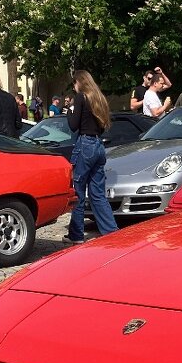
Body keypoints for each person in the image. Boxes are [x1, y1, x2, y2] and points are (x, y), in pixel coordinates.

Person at [65, 70, 118, 245]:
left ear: (79, 82)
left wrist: (69, 111)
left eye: (74, 83)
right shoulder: (99, 98)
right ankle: (111, 232)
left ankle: (77, 235)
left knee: (78, 192)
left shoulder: (81, 97)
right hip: (98, 145)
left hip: (85, 144)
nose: (74, 87)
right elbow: (102, 127)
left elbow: (73, 126)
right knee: (98, 194)